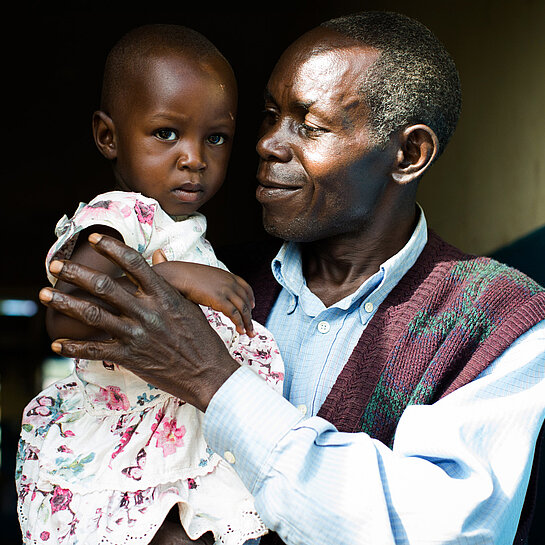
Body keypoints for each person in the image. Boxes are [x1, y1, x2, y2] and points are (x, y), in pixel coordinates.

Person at [35, 11, 545, 545]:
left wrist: (213, 381)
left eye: (309, 125)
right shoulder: (217, 275)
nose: (266, 145)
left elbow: (444, 531)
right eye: (270, 116)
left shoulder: (502, 321)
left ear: (408, 154)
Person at [15, 24, 285, 545]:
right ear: (108, 136)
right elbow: (65, 315)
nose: (194, 158)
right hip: (123, 442)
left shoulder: (182, 229)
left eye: (216, 138)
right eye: (167, 133)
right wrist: (175, 279)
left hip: (177, 436)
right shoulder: (117, 217)